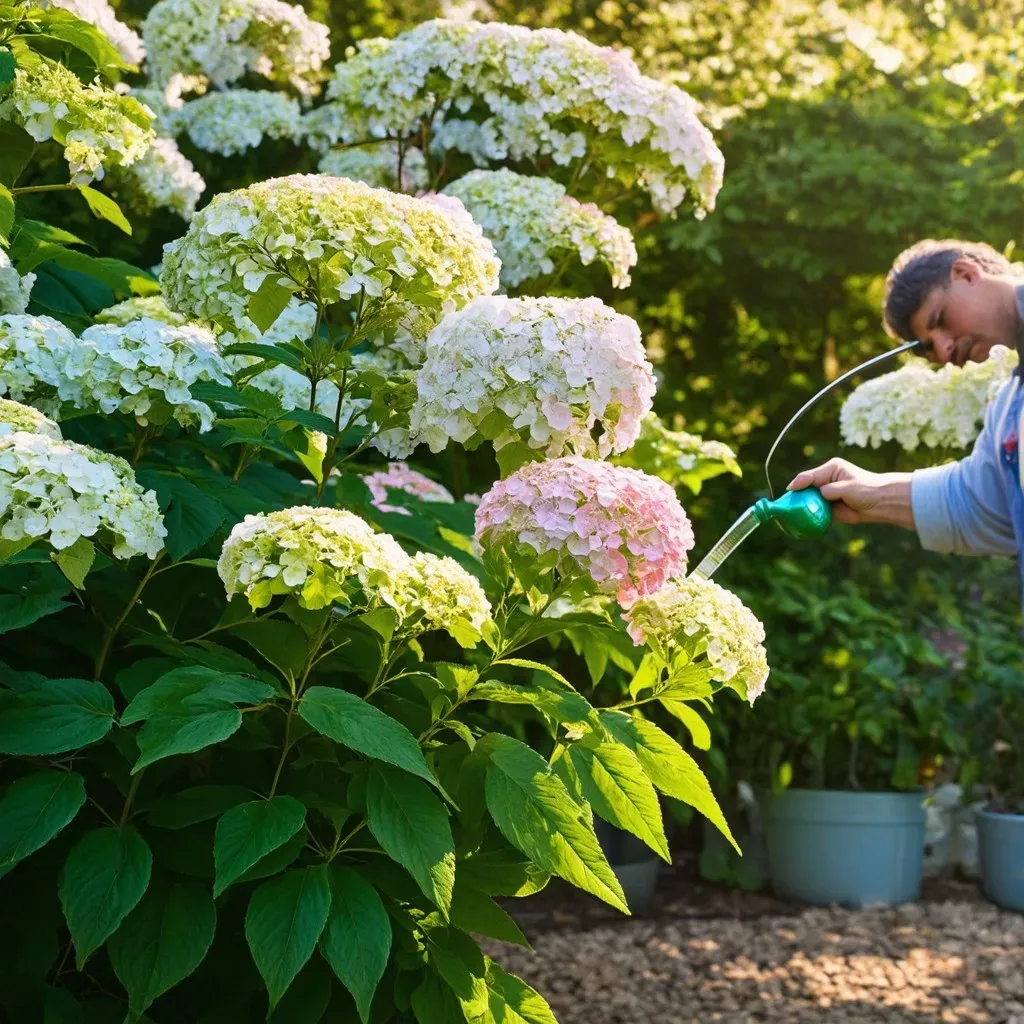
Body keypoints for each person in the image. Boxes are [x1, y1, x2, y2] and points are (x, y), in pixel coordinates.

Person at [789, 238, 1024, 592]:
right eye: (929, 348)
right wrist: (868, 491)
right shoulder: (1008, 408)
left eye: (940, 319)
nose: (945, 350)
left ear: (965, 274)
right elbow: (982, 504)